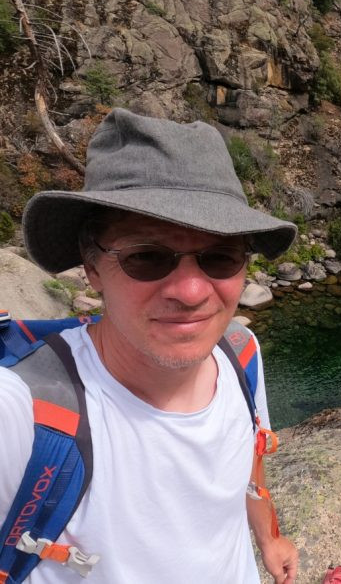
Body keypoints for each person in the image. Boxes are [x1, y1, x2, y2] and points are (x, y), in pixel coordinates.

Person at [0, 109, 299, 583]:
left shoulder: (240, 353)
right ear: (92, 268)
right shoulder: (20, 412)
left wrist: (268, 535)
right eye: (147, 257)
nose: (192, 292)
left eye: (220, 257)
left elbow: (247, 458)